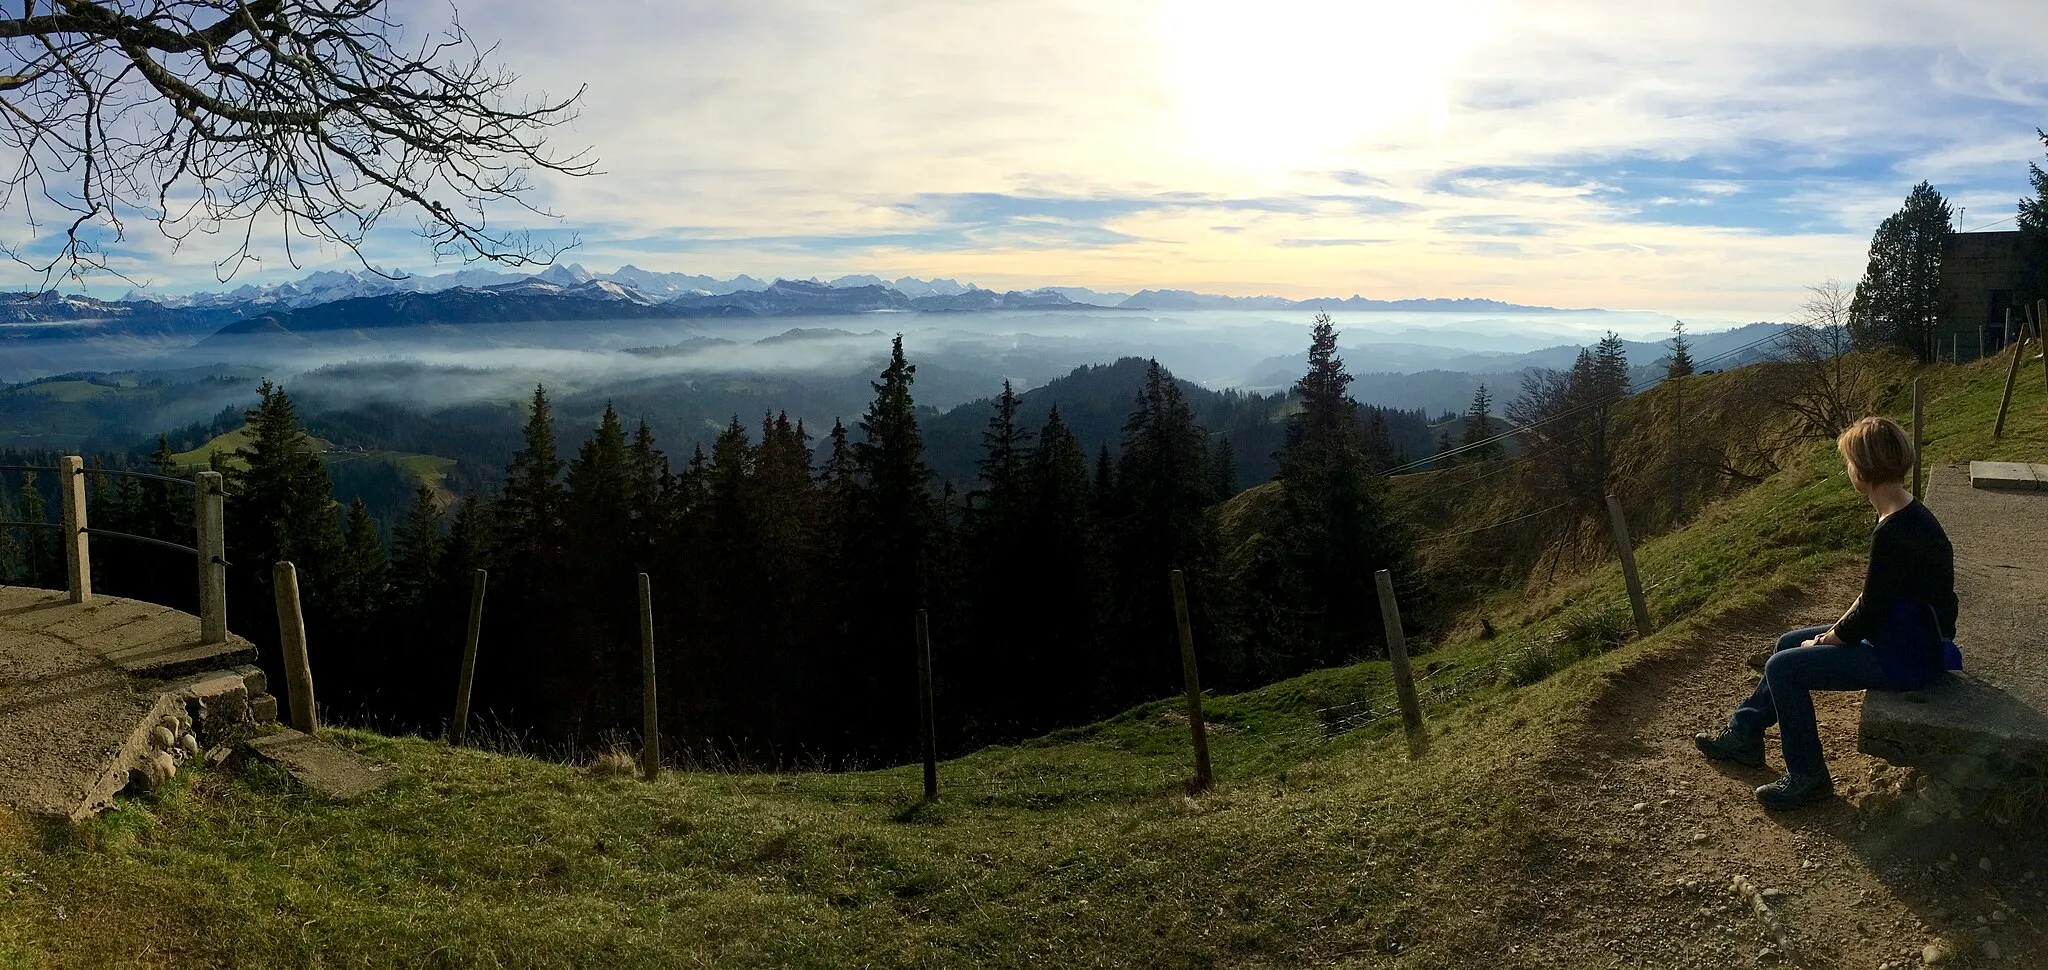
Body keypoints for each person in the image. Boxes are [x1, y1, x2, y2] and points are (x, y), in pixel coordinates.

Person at [1694, 416, 1958, 810]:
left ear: (1863, 471)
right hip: (1905, 635)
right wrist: (1834, 630)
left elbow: (1870, 611)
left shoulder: (1895, 532)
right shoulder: (1905, 512)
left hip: (1908, 658)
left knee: (1785, 667)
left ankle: (1808, 777)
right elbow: (1875, 595)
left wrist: (1831, 638)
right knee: (1786, 644)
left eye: (1850, 462)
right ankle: (1745, 734)